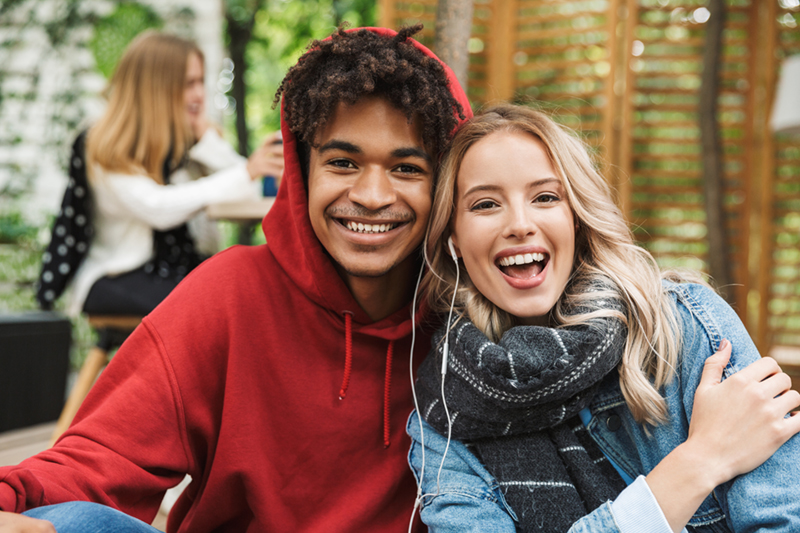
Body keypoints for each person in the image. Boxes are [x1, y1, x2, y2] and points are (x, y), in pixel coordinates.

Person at [0, 26, 470, 532]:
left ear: (443, 182)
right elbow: (94, 461)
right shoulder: (230, 294)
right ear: (302, 171)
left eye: (406, 169)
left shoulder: (473, 318)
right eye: (342, 162)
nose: (373, 195)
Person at [407, 104, 800, 533]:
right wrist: (699, 461)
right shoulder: (444, 418)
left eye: (546, 197)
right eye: (485, 204)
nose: (520, 224)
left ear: (576, 218)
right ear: (454, 241)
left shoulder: (686, 328)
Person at [35, 31, 283, 317]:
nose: (199, 94)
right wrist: (246, 171)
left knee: (255, 287)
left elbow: (248, 191)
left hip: (181, 270)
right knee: (221, 306)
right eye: (189, 84)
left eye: (201, 82)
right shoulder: (103, 143)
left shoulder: (186, 143)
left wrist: (207, 143)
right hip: (118, 276)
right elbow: (158, 208)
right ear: (156, 87)